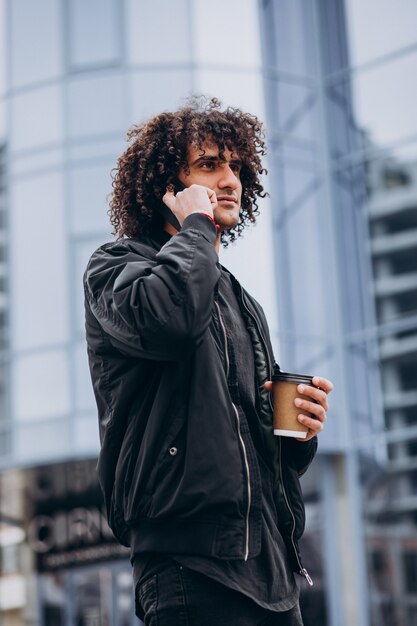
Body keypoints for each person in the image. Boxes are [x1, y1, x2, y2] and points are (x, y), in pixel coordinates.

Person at [84, 97, 333, 625]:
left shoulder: (241, 301)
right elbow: (169, 321)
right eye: (209, 165)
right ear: (164, 186)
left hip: (270, 573)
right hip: (186, 564)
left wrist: (299, 432)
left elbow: (256, 445)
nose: (229, 180)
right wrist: (196, 224)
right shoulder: (116, 267)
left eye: (236, 167)